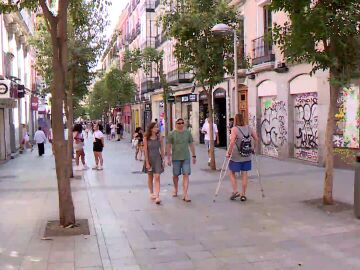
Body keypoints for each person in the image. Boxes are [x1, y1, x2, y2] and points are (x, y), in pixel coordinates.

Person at [226, 113, 258, 201]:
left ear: (235, 120)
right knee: (244, 174)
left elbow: (232, 142)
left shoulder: (234, 129)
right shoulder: (249, 128)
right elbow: (256, 139)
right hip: (247, 154)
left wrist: (228, 153)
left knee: (232, 172)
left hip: (236, 155)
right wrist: (253, 149)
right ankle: (243, 194)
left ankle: (235, 191)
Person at [166, 118, 196, 202]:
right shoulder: (171, 134)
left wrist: (194, 155)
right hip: (176, 158)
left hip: (186, 157)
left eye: (182, 123)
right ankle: (175, 189)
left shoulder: (187, 133)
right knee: (175, 175)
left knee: (186, 174)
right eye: (179, 123)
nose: (181, 124)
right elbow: (168, 146)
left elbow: (191, 144)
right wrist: (168, 158)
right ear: (175, 124)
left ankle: (185, 194)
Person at [143, 122, 165, 204]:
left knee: (157, 176)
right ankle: (151, 192)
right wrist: (147, 162)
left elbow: (162, 149)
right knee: (150, 177)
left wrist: (163, 160)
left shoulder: (159, 138)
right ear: (151, 129)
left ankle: (157, 196)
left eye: (157, 127)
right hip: (149, 158)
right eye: (155, 127)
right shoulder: (146, 138)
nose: (157, 128)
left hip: (157, 158)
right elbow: (145, 150)